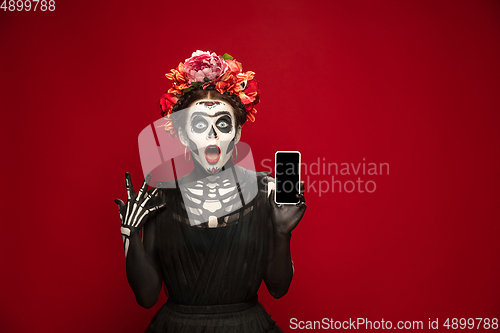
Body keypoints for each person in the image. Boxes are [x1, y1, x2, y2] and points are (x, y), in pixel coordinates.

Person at [114, 50, 307, 332]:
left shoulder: (265, 191)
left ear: (237, 133)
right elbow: (146, 297)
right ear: (182, 134)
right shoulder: (161, 195)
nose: (213, 136)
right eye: (200, 125)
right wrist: (129, 235)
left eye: (223, 124)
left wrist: (282, 234)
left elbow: (278, 289)